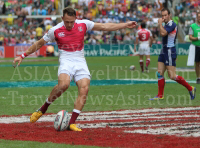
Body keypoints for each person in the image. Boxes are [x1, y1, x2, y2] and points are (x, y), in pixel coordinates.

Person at [13, 7, 137, 131]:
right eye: (66, 22)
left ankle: (72, 123)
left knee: (84, 88)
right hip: (66, 60)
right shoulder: (55, 30)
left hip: (80, 61)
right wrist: (22, 56)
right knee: (63, 85)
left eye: (71, 22)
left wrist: (125, 24)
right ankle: (43, 108)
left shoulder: (83, 24)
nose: (69, 24)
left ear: (76, 18)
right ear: (62, 18)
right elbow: (40, 43)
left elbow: (104, 27)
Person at [150, 8, 196, 100]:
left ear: (169, 15)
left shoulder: (172, 24)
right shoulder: (166, 24)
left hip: (170, 50)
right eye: (162, 15)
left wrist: (160, 24)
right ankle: (160, 95)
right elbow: (162, 33)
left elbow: (163, 34)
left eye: (165, 15)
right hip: (164, 50)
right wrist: (161, 24)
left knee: (172, 76)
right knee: (159, 73)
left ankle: (191, 88)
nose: (164, 17)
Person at [189, 12, 200, 84]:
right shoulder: (192, 26)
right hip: (197, 47)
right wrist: (197, 38)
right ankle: (198, 78)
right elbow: (190, 37)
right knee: (197, 63)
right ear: (196, 17)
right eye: (198, 17)